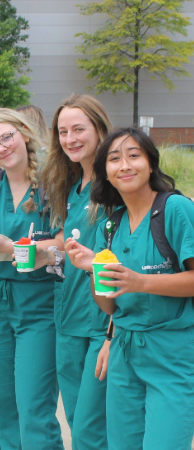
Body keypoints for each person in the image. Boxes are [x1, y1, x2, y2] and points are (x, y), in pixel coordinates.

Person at [67, 127, 194, 450]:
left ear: (151, 164)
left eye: (134, 155)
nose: (124, 165)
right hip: (124, 352)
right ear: (105, 173)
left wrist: (141, 282)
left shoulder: (175, 209)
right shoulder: (112, 224)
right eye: (114, 159)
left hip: (173, 353)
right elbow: (109, 306)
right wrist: (92, 271)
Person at [0, 108, 64, 450]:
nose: (2, 147)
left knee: (34, 409)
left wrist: (11, 248)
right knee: (3, 409)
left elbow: (67, 243)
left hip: (40, 303)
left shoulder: (54, 184)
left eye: (6, 137)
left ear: (23, 132)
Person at [38, 93, 113, 450]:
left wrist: (114, 333)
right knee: (76, 421)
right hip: (68, 318)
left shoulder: (117, 185)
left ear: (99, 129)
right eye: (63, 131)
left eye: (79, 129)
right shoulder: (68, 187)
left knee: (91, 429)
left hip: (105, 322)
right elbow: (64, 250)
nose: (70, 139)